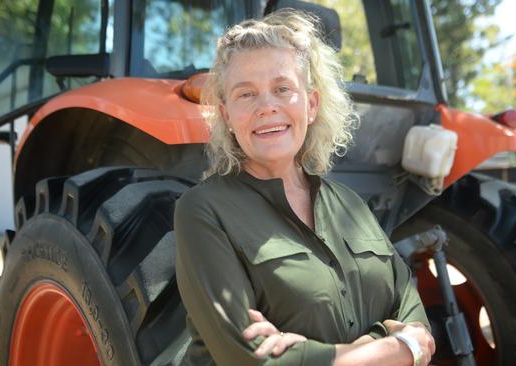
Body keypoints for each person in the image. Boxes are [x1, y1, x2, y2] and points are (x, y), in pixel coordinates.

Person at [174, 9, 435, 366]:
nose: (267, 106)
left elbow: (413, 313)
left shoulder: (350, 205)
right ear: (226, 116)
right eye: (246, 94)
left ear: (311, 105)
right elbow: (254, 361)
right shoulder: (203, 210)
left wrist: (328, 354)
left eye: (282, 89)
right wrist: (396, 348)